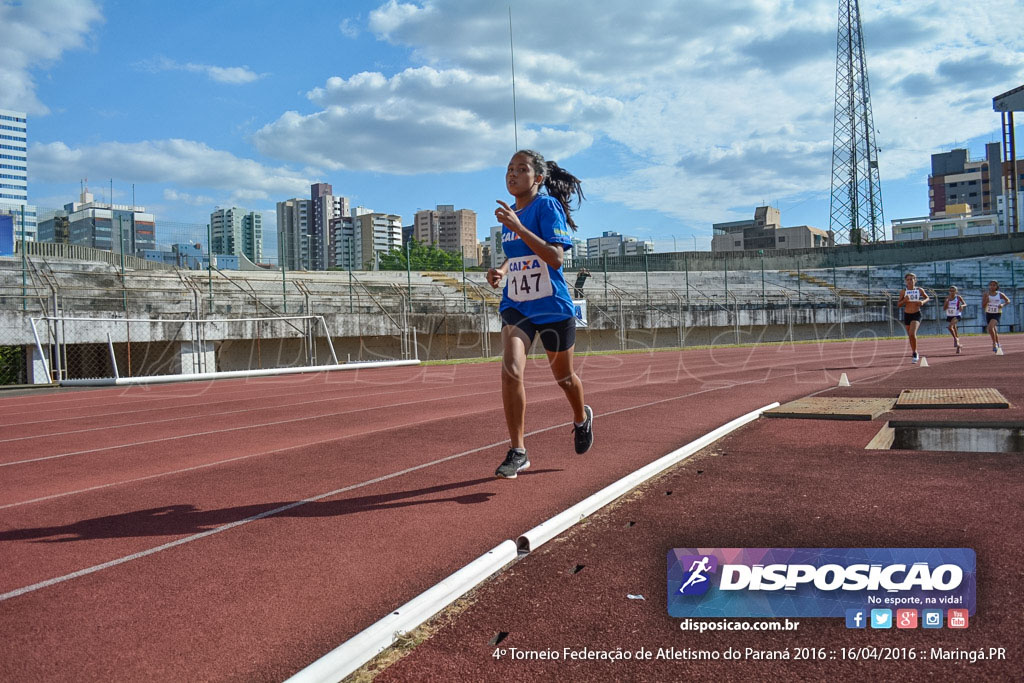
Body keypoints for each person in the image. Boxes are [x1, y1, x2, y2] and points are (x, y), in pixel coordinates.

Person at [486, 149, 594, 479]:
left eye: (521, 169)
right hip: (517, 305)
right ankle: (518, 450)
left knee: (563, 378)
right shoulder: (509, 214)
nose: (512, 174)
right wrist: (503, 270)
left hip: (552, 306)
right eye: (509, 169)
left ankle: (581, 417)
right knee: (510, 368)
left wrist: (518, 227)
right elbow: (520, 255)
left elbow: (555, 258)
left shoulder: (546, 207)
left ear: (539, 178)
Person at [897, 272, 929, 364]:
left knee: (912, 333)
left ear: (915, 280)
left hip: (916, 314)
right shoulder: (903, 291)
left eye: (912, 279)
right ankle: (914, 351)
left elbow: (927, 298)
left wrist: (922, 302)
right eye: (908, 279)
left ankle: (915, 353)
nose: (910, 281)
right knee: (910, 336)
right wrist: (904, 300)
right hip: (907, 314)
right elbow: (899, 304)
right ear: (905, 281)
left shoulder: (919, 290)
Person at [982, 280, 1011, 353]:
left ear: (997, 286)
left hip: (997, 313)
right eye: (991, 285)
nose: (992, 286)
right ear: (989, 286)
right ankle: (998, 343)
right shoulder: (986, 294)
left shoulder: (1000, 294)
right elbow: (983, 306)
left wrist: (1002, 305)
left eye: (994, 285)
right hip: (988, 313)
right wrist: (986, 300)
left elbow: (1008, 301)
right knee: (994, 330)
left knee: (990, 328)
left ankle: (994, 343)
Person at [943, 285, 966, 354]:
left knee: (950, 327)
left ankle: (955, 339)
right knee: (955, 330)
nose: (952, 292)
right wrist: (946, 303)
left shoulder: (958, 298)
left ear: (956, 291)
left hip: (957, 315)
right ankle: (958, 345)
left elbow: (965, 304)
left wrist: (962, 306)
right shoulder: (947, 298)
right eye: (950, 291)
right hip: (950, 315)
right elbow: (944, 308)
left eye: (953, 291)